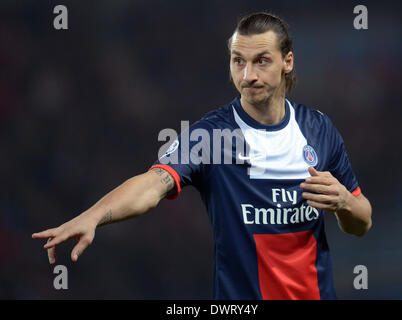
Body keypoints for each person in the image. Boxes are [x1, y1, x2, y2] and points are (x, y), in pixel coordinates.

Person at [32, 12, 372, 300]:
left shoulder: (319, 130)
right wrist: (96, 215)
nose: (247, 75)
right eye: (238, 61)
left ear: (288, 62)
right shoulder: (211, 136)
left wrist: (343, 202)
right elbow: (153, 184)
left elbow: (362, 222)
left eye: (261, 61)